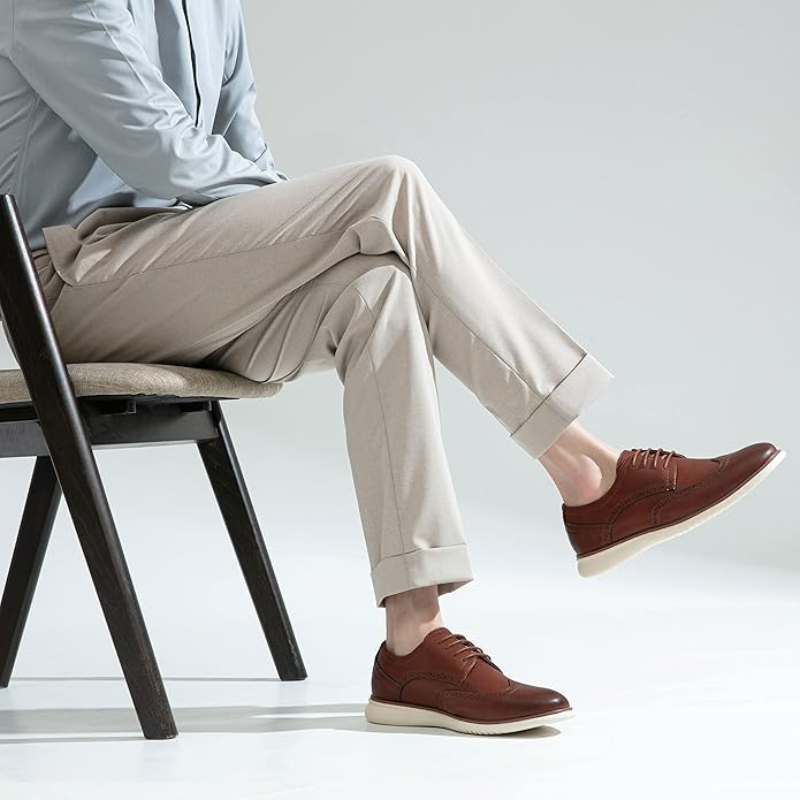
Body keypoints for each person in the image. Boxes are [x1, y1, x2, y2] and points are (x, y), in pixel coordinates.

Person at [0, 1, 785, 736]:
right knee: (387, 189)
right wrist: (324, 219)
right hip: (69, 287)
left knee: (376, 290)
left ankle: (413, 641)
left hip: (189, 272)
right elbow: (159, 152)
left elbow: (246, 148)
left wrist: (302, 229)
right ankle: (589, 474)